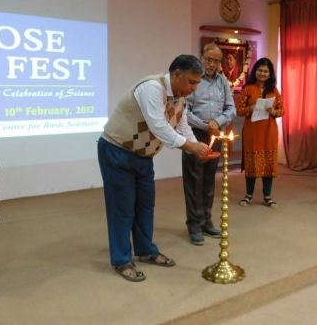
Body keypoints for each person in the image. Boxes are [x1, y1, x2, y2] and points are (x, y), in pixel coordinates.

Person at [98, 54, 211, 282]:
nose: (193, 88)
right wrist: (189, 146)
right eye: (191, 82)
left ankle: (146, 250)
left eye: (197, 84)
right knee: (123, 208)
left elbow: (182, 125)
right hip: (117, 150)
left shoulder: (180, 97)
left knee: (145, 205)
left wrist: (198, 146)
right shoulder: (152, 88)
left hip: (143, 156)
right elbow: (158, 126)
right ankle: (122, 260)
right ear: (176, 74)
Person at [182, 43, 236, 246]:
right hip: (194, 133)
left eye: (216, 60)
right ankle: (194, 224)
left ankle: (206, 220)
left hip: (216, 134)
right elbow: (183, 111)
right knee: (193, 180)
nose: (212, 64)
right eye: (208, 59)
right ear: (202, 58)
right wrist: (206, 125)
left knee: (209, 180)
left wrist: (218, 123)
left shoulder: (223, 82)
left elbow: (231, 109)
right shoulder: (193, 78)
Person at [236, 57, 285, 208]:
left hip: (269, 132)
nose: (262, 73)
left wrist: (274, 111)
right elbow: (238, 110)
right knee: (252, 164)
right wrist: (249, 109)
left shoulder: (274, 91)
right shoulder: (247, 89)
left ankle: (267, 197)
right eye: (260, 70)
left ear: (270, 74)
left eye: (266, 71)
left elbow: (282, 110)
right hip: (252, 132)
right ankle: (248, 195)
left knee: (268, 165)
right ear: (255, 71)